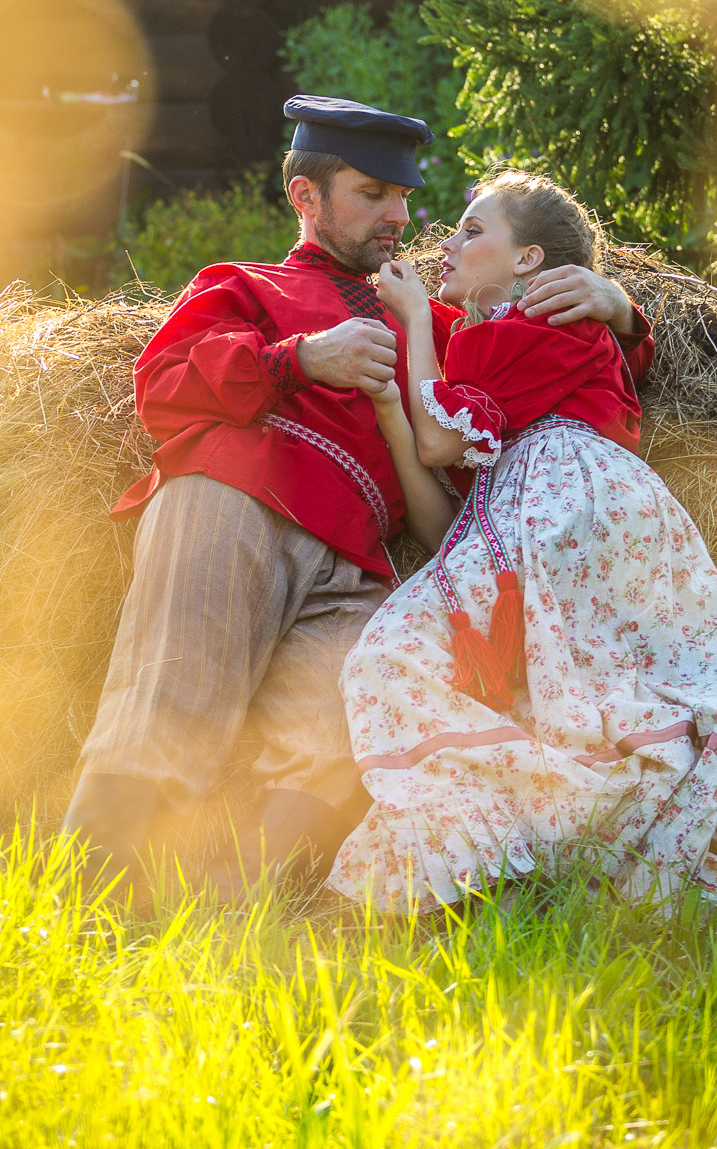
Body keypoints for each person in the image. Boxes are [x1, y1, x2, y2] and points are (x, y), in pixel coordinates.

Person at [60, 97, 656, 905]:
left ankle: (226, 914)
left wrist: (622, 310)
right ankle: (79, 898)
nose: (398, 216)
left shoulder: (436, 323)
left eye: (403, 196)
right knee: (174, 691)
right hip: (231, 495)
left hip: (356, 561)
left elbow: (571, 364)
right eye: (372, 194)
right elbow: (162, 385)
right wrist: (302, 359)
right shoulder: (244, 283)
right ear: (306, 197)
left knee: (338, 736)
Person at [327, 168, 717, 910]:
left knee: (430, 662)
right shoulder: (530, 333)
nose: (446, 244)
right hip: (585, 512)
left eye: (472, 230)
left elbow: (438, 439)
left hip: (569, 507)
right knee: (563, 698)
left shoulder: (520, 328)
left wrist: (416, 319)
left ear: (528, 260)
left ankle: (539, 827)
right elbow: (446, 493)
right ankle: (554, 827)